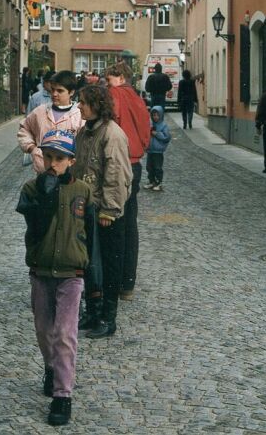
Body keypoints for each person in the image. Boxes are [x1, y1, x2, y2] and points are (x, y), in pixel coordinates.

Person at [17, 129, 99, 427]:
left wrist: (95, 285)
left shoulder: (84, 192)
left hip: (71, 274)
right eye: (48, 156)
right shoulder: (31, 189)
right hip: (41, 271)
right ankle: (51, 368)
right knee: (43, 329)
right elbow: (34, 225)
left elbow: (92, 239)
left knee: (65, 333)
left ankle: (63, 395)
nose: (53, 163)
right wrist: (45, 191)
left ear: (71, 161)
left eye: (59, 158)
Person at [74, 85, 132, 339]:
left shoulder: (112, 134)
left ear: (97, 104)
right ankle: (93, 313)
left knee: (108, 266)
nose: (79, 106)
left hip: (105, 212)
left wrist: (110, 209)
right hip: (87, 208)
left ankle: (108, 319)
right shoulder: (84, 132)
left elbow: (116, 175)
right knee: (90, 266)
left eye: (83, 102)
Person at [105, 61, 150, 301]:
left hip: (119, 162)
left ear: (120, 77)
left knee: (114, 224)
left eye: (109, 78)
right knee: (130, 223)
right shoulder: (137, 97)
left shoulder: (115, 94)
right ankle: (127, 284)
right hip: (135, 162)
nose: (106, 83)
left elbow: (112, 121)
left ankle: (113, 282)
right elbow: (145, 131)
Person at [18, 71, 84, 173]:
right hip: (43, 171)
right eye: (52, 90)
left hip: (69, 173)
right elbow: (24, 129)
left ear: (71, 92)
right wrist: (32, 148)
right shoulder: (40, 111)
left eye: (60, 91)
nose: (54, 94)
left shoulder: (79, 115)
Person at [144, 106, 172, 191]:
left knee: (157, 167)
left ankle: (159, 182)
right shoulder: (150, 124)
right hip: (150, 150)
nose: (155, 117)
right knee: (149, 167)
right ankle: (152, 181)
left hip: (158, 151)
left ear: (161, 115)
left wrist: (156, 134)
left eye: (157, 115)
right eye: (153, 115)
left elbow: (167, 137)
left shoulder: (163, 126)